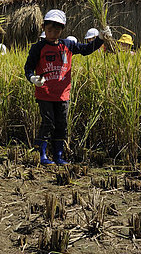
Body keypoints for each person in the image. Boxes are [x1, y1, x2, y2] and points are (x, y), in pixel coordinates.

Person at [24, 10, 109, 165]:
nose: (53, 33)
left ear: (62, 30)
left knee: (62, 124)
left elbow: (86, 49)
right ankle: (41, 154)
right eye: (49, 30)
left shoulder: (68, 45)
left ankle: (58, 155)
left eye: (57, 30)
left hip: (63, 93)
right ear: (43, 28)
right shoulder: (38, 47)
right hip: (45, 93)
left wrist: (100, 39)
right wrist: (32, 78)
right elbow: (28, 67)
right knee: (48, 122)